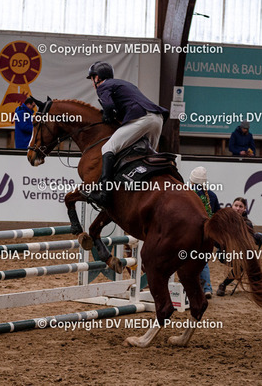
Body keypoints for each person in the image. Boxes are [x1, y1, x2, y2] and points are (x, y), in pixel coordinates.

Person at [86, 61, 169, 206]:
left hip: (142, 119)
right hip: (158, 119)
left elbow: (109, 105)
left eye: (92, 79)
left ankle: (104, 193)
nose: (92, 83)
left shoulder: (103, 86)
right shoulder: (124, 84)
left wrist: (107, 115)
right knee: (147, 157)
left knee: (108, 148)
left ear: (97, 77)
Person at [216, 197, 262, 296]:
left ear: (244, 209)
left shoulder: (248, 223)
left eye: (241, 206)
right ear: (232, 206)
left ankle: (224, 284)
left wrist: (256, 238)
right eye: (236, 206)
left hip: (239, 254)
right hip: (223, 253)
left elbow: (249, 242)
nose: (238, 208)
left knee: (246, 262)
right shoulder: (224, 220)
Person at [189, 166, 220, 299]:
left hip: (190, 232)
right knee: (203, 261)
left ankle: (192, 288)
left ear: (191, 181)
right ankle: (207, 288)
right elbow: (217, 215)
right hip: (206, 234)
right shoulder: (212, 196)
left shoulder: (188, 194)